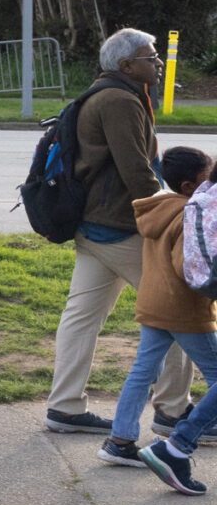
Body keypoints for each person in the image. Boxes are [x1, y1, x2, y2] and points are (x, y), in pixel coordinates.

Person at [43, 28, 193, 435]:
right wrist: (175, 217)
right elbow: (137, 174)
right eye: (151, 56)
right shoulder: (119, 101)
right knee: (182, 306)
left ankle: (65, 406)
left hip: (93, 226)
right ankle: (173, 412)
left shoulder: (107, 93)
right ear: (127, 65)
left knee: (81, 316)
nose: (158, 62)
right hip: (118, 226)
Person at [97, 147, 217, 492]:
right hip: (183, 308)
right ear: (188, 185)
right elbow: (188, 267)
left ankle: (119, 441)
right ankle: (183, 440)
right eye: (205, 178)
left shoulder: (156, 208)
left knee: (142, 371)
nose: (209, 183)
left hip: (153, 302)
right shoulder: (189, 213)